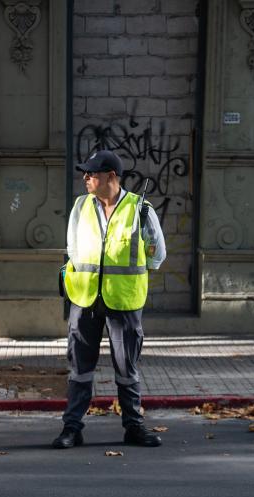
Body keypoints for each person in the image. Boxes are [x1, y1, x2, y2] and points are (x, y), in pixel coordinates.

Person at [52, 150, 167, 449]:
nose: (85, 178)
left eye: (92, 173)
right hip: (85, 297)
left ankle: (133, 428)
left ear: (111, 177)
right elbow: (72, 248)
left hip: (124, 301)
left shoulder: (140, 209)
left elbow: (157, 255)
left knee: (126, 368)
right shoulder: (81, 206)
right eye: (85, 173)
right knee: (80, 369)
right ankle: (72, 429)